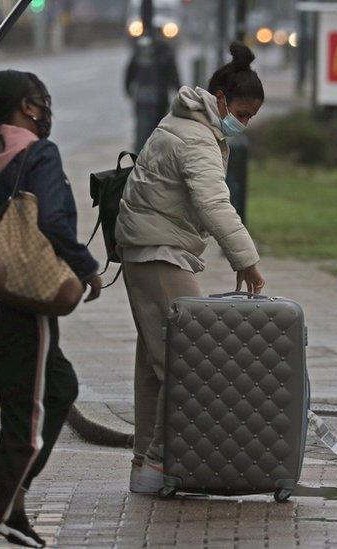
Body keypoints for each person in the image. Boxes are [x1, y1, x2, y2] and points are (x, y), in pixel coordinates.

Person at [0, 70, 102, 549]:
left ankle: (16, 503)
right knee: (24, 421)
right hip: (14, 297)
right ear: (28, 107)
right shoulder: (38, 153)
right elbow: (52, 218)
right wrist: (86, 267)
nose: (44, 110)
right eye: (40, 102)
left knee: (60, 386)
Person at [115, 42, 266, 495]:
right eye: (241, 112)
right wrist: (248, 260)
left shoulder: (184, 123)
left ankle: (146, 465)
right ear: (219, 99)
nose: (243, 123)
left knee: (155, 365)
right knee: (190, 361)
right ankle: (162, 463)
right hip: (157, 252)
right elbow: (214, 202)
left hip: (149, 249)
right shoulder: (197, 137)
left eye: (251, 117)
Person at [125, 32, 181, 151]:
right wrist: (180, 93)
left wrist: (128, 89)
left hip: (143, 99)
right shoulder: (166, 51)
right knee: (157, 131)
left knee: (142, 132)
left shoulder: (142, 51)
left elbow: (130, 72)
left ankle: (140, 159)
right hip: (159, 99)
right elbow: (174, 76)